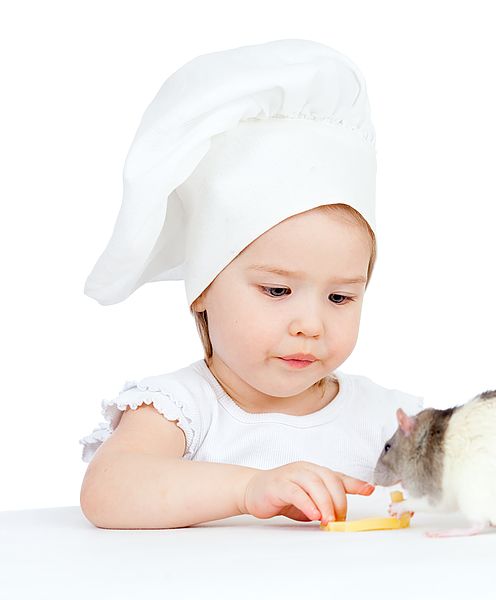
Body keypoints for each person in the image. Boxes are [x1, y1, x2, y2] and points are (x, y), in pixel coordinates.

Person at [78, 39, 423, 530]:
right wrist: (247, 489)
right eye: (277, 291)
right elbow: (110, 492)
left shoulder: (383, 417)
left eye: (340, 297)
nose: (311, 324)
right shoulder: (182, 410)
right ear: (203, 289)